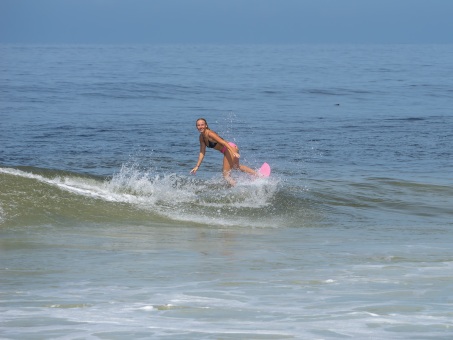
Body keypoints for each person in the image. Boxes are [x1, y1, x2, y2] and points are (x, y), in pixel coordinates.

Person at [190, 118, 257, 186]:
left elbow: (223, 142)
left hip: (229, 149)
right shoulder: (202, 137)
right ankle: (257, 174)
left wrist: (233, 152)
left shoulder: (210, 134)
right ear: (196, 127)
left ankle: (236, 187)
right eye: (198, 125)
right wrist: (197, 166)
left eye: (202, 125)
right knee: (236, 167)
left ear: (206, 125)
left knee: (226, 175)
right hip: (231, 147)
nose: (200, 127)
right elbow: (202, 152)